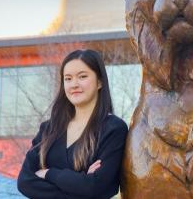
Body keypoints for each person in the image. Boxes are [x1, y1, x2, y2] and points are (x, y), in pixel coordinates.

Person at [17, 49, 128, 198]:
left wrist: (50, 173)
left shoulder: (114, 129)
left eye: (82, 77)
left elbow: (96, 187)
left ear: (100, 82)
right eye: (68, 79)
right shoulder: (48, 129)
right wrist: (80, 184)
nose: (74, 84)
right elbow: (24, 182)